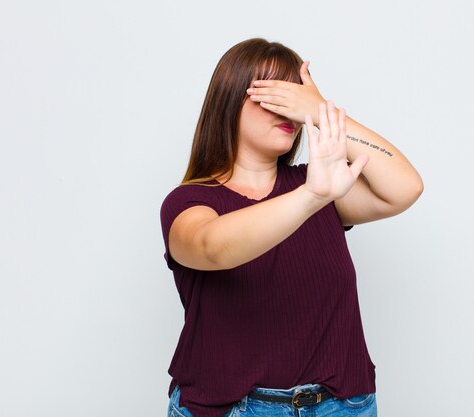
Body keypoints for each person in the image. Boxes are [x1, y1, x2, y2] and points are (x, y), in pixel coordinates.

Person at [160, 37, 423, 417]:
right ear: (230, 98)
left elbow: (404, 188)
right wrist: (312, 196)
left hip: (342, 406)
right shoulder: (188, 203)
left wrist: (323, 113)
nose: (289, 107)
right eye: (273, 92)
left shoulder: (320, 188)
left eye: (295, 95)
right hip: (234, 410)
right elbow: (213, 247)